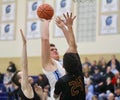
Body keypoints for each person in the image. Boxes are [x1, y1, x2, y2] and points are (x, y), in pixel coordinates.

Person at [53, 12, 85, 100]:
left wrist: (65, 27)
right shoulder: (79, 72)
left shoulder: (61, 81)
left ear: (63, 65)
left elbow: (55, 96)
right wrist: (67, 27)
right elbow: (72, 45)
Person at [11, 29, 47, 100]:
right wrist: (24, 44)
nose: (27, 74)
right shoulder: (25, 88)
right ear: (20, 81)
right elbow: (24, 65)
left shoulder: (32, 88)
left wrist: (41, 95)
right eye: (24, 74)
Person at [40, 11, 65, 99]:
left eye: (56, 49)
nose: (55, 50)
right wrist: (46, 21)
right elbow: (45, 40)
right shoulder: (48, 64)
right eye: (52, 50)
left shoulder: (64, 63)